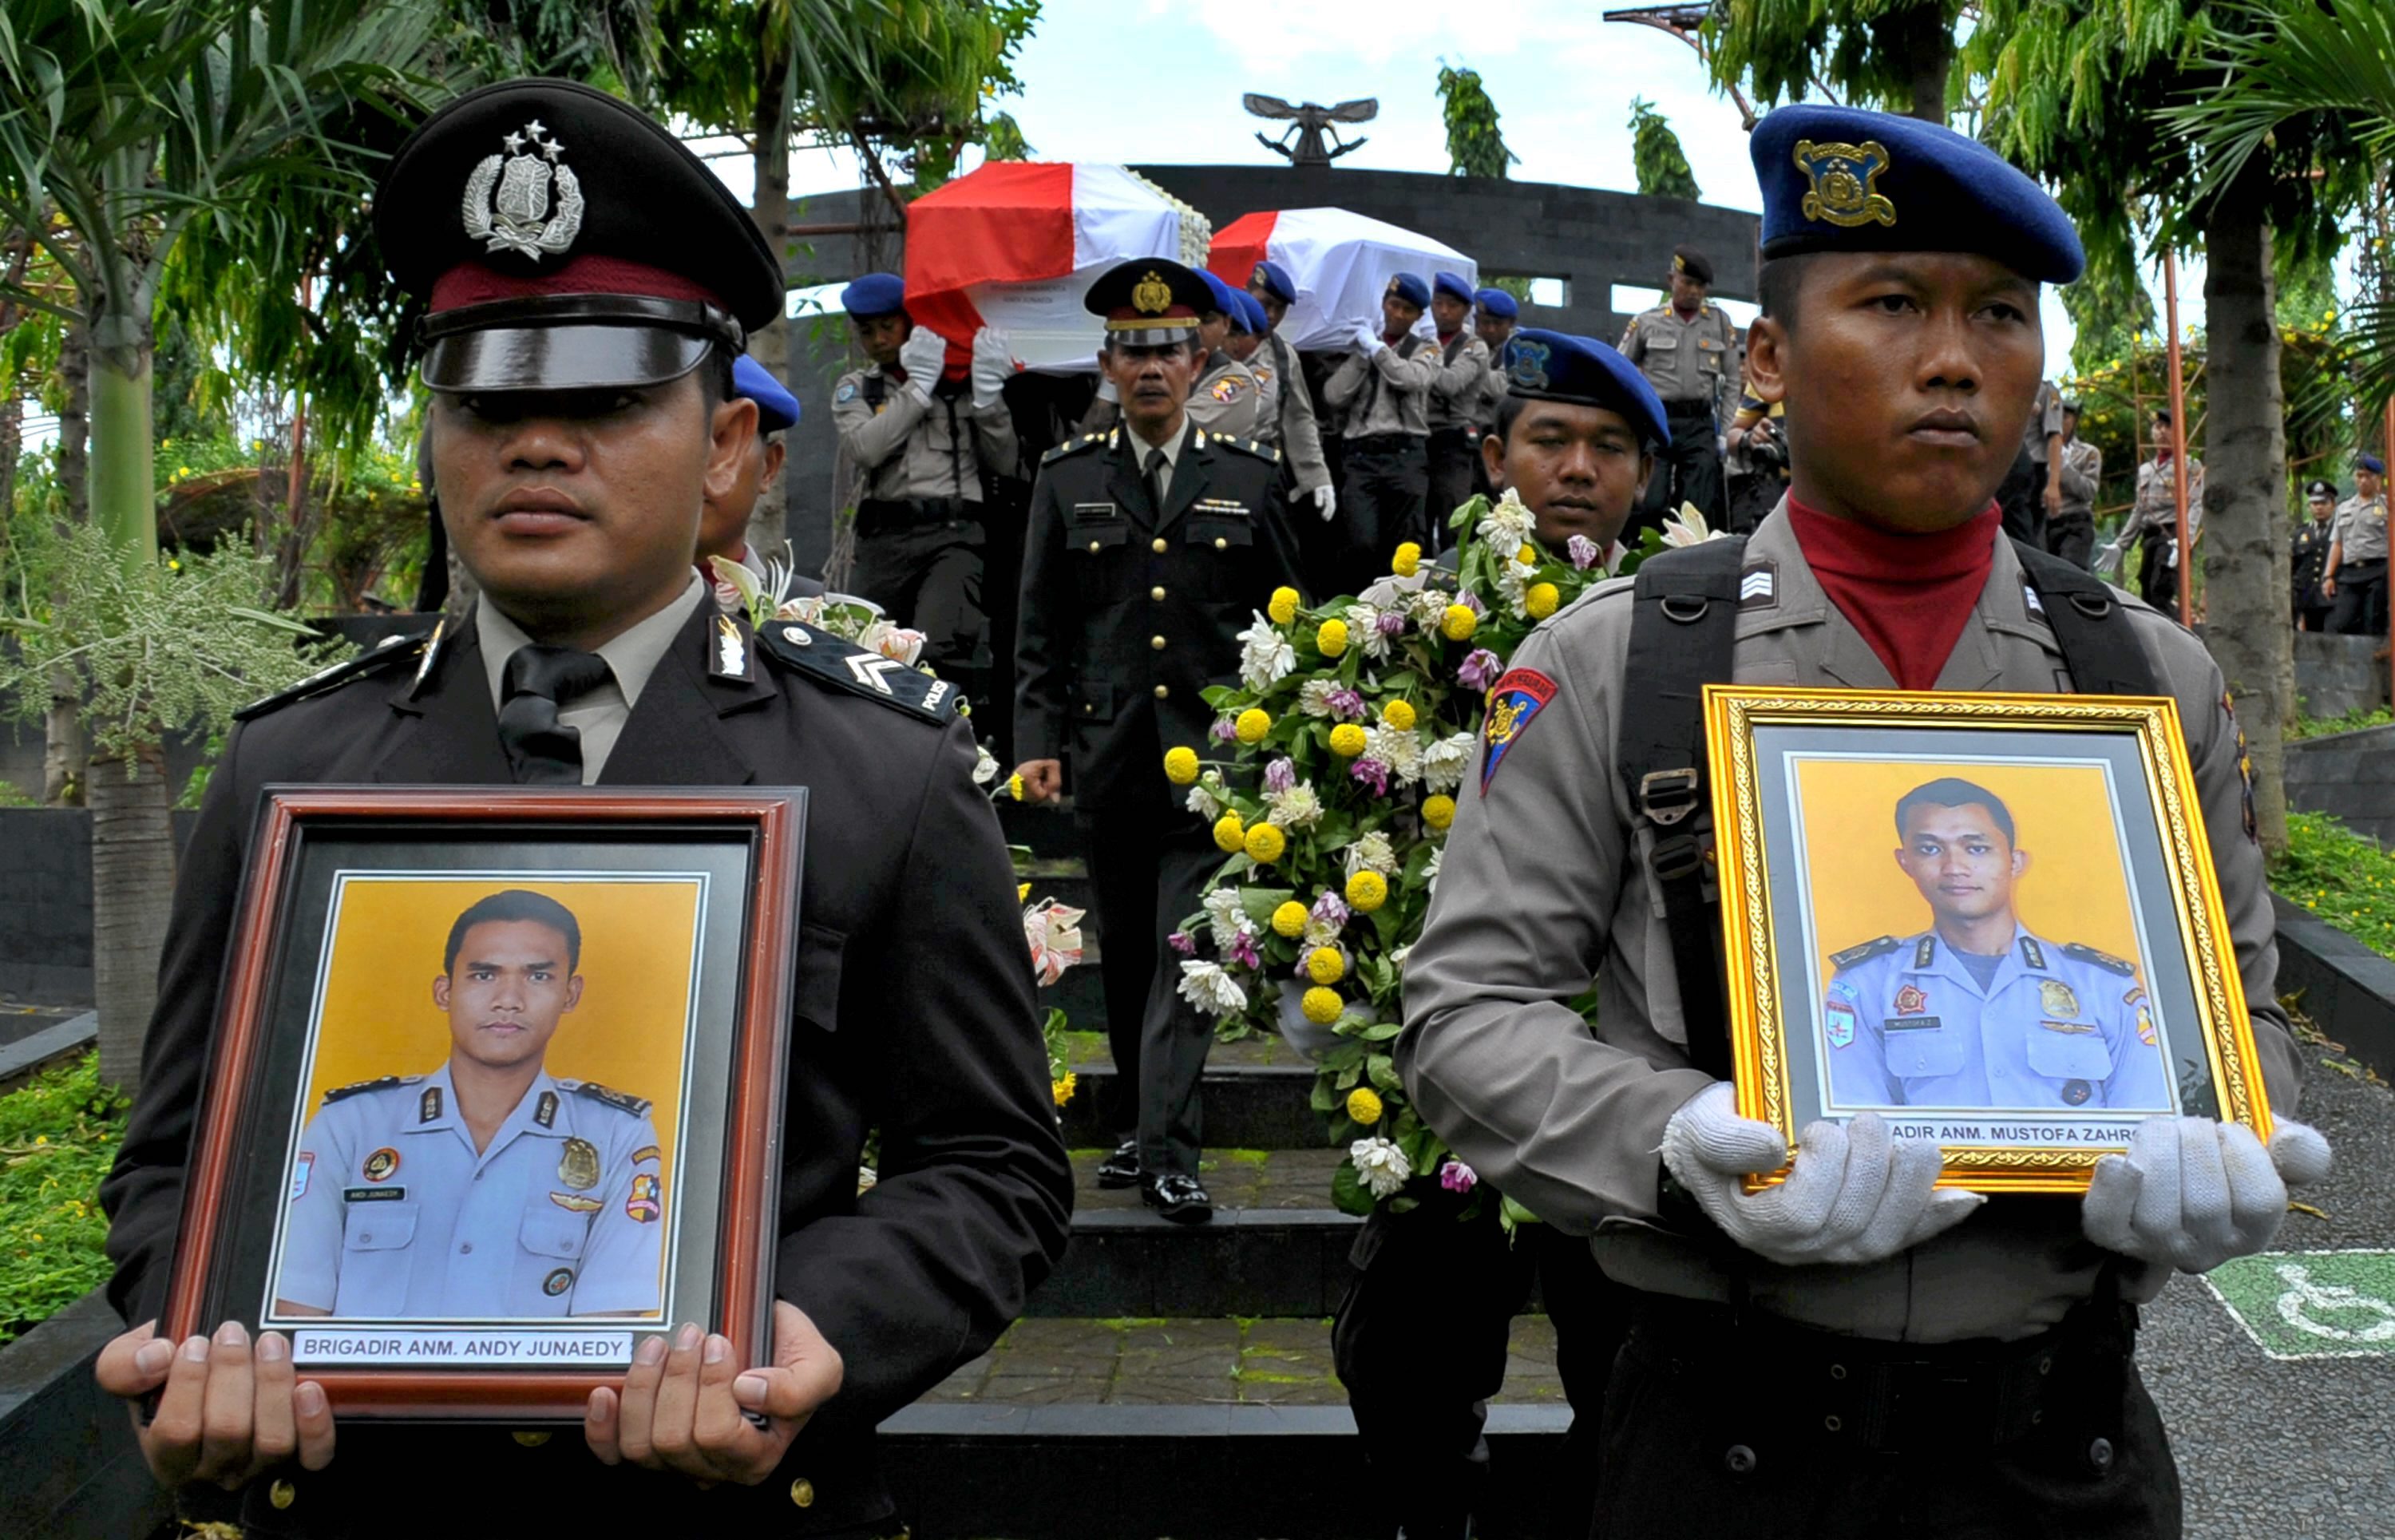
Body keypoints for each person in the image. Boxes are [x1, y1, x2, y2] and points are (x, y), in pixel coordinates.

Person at [97, 80, 1072, 1536]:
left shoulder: (887, 770)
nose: (537, 443)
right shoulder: (292, 770)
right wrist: (209, 1325)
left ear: (731, 445)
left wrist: (794, 1324)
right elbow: (174, 1158)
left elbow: (991, 1167)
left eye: (606, 400)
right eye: (489, 400)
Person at [1400, 103, 2326, 1538]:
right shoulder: (1622, 659)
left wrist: (2218, 1138)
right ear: (1767, 356)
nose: (1954, 358)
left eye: (2002, 316)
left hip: (2058, 1446)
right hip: (1728, 1439)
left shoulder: (2146, 673)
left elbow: (2239, 1004)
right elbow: (1467, 1014)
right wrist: (1682, 1132)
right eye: (1892, 304)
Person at [1336, 328, 1663, 1540]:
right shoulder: (1396, 629)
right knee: (1405, 1366)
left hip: (1633, 1089)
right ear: (1492, 455)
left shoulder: (1694, 642)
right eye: (1551, 439)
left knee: (1631, 1380)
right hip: (1450, 1087)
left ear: (1645, 478)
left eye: (1611, 447)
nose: (1579, 467)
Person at [1013, 257, 1303, 1225]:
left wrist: (1282, 749)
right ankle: (1141, 1132)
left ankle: (1174, 1156)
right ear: (1106, 362)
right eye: (1132, 352)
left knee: (1185, 954)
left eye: (1167, 350)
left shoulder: (1248, 478)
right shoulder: (1068, 478)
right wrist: (1038, 739)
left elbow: (1287, 624)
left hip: (1213, 765)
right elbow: (1042, 628)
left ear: (1199, 358)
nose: (1150, 368)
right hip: (1108, 755)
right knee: (1131, 956)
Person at [274, 890, 667, 1320]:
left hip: (539, 1391)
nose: (508, 1000)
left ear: (570, 994)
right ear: (444, 991)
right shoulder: (349, 1125)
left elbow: (604, 1334)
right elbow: (297, 1312)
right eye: (484, 975)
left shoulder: (616, 1135)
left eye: (538, 977)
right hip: (358, 1390)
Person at [1823, 779, 2171, 1113]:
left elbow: (2149, 1131)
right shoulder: (1864, 986)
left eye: (1977, 848)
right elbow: (1859, 1132)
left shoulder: (2103, 985)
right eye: (1930, 849)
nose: (1954, 867)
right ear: (1905, 862)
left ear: (2015, 861)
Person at [830, 270, 1023, 687]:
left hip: (953, 539)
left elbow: (1004, 462)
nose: (879, 339)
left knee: (938, 649)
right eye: (868, 331)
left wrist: (988, 396)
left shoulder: (960, 385)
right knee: (869, 652)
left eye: (888, 326)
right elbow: (865, 449)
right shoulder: (859, 388)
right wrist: (917, 387)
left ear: (911, 323)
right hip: (887, 543)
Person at [1322, 273, 1439, 593]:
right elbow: (1334, 395)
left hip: (1405, 454)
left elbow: (1411, 379)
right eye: (1394, 305)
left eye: (1408, 310)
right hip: (1361, 455)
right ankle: (1363, 609)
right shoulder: (1362, 345)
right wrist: (1363, 355)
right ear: (1384, 303)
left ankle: (1401, 610)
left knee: (1406, 545)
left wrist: (1378, 351)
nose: (1398, 315)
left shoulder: (1426, 348)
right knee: (1361, 542)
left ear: (1418, 317)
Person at [1617, 244, 1736, 531]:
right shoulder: (1647, 321)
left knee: (1697, 509)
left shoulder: (1719, 322)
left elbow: (1732, 379)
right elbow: (1620, 367)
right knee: (1650, 502)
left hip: (1699, 423)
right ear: (1672, 280)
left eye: (1701, 286)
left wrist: (1727, 429)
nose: (1694, 291)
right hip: (1659, 420)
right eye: (1688, 283)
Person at [699, 355, 823, 600]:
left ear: (769, 466)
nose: (701, 463)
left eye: (722, 439)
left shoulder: (811, 620)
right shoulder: (605, 618)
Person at [1243, 259, 1337, 529]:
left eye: (1280, 308)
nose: (1271, 315)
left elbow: (1298, 419)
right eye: (1265, 303)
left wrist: (1317, 476)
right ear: (1247, 294)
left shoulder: (1283, 355)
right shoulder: (1217, 342)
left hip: (1261, 462)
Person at [1423, 271, 1494, 549]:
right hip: (1421, 438)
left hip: (1453, 440)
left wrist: (1424, 360)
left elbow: (1451, 383)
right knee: (1420, 522)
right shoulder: (1424, 341)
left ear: (1466, 311)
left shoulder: (1473, 347)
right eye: (1438, 303)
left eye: (1452, 306)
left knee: (1452, 519)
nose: (1443, 311)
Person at [2122, 407, 2203, 618]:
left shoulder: (2189, 465)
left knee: (2161, 592)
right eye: (2158, 426)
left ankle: (2178, 639)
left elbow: (2196, 505)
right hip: (2150, 535)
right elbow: (2139, 510)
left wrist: (2185, 539)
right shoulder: (2146, 470)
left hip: (2172, 534)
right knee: (2147, 594)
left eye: (2168, 426)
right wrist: (2122, 544)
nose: (2162, 432)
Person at [2324, 453, 2389, 636]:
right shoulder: (2345, 508)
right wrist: (2328, 576)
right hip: (2351, 573)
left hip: (2379, 570)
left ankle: (2374, 662)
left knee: (2373, 621)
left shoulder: (2387, 506)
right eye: (2359, 476)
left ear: (2378, 479)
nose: (2363, 481)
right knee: (2342, 621)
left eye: (2368, 476)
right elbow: (2337, 543)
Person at [1997, 379, 2067, 547]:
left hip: (2031, 469)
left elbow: (2055, 436)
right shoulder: (2003, 382)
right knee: (2012, 533)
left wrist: (2053, 484)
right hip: (2001, 465)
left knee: (2021, 536)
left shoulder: (2047, 391)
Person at [1467, 287, 1522, 501]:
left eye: (1497, 324)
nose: (1489, 329)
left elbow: (1500, 387)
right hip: (1465, 437)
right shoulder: (1466, 341)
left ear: (1511, 323)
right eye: (1483, 322)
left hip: (1497, 435)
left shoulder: (1520, 348)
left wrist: (1465, 373)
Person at [2048, 399, 2101, 571]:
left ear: (2075, 420)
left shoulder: (2088, 453)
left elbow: (2089, 491)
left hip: (2075, 523)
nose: (2059, 422)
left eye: (2065, 417)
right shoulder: (2038, 451)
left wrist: (2063, 467)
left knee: (2069, 572)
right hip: (2045, 524)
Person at [2291, 478, 2338, 631]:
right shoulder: (2300, 534)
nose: (2319, 508)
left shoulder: (2340, 531)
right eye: (2315, 503)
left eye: (2323, 503)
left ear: (2333, 504)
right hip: (2307, 599)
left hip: (2333, 599)